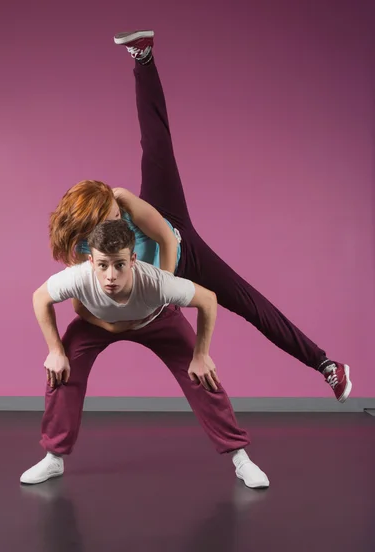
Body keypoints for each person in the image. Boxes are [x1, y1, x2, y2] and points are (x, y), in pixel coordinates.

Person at [49, 30, 351, 402]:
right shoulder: (85, 249)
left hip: (176, 234)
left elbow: (161, 236)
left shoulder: (123, 200)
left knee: (248, 302)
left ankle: (326, 365)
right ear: (90, 232)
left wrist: (165, 289)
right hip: (145, 270)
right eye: (110, 218)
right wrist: (110, 321)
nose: (117, 214)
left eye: (115, 209)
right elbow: (80, 300)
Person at [20, 219, 269, 489]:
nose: (111, 276)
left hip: (156, 322)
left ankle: (240, 458)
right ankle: (54, 457)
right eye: (102, 265)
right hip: (97, 325)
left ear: (133, 259)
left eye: (119, 264)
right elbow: (39, 298)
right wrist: (55, 351)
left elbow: (208, 300)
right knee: (60, 372)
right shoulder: (78, 276)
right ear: (91, 261)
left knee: (202, 376)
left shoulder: (156, 282)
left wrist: (201, 353)